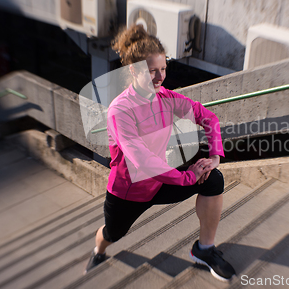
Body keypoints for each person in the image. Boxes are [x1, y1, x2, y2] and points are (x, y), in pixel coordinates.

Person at [85, 24, 236, 282]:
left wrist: (214, 156)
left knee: (213, 178)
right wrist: (188, 176)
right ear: (132, 70)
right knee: (112, 234)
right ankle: (98, 250)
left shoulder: (167, 98)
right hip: (129, 192)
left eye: (163, 69)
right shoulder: (119, 110)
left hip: (161, 183)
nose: (159, 77)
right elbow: (143, 161)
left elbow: (208, 117)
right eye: (152, 71)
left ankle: (205, 249)